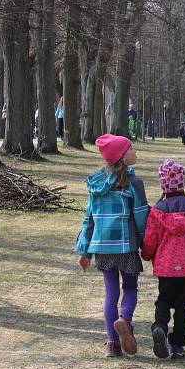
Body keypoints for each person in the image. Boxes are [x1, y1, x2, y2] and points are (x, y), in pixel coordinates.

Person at [75, 134, 149, 357]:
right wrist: (146, 243)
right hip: (126, 246)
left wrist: (84, 250)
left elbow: (89, 219)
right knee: (130, 288)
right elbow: (140, 217)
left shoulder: (96, 185)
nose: (135, 152)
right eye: (131, 149)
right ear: (123, 157)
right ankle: (124, 320)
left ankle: (111, 343)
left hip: (102, 248)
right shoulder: (134, 183)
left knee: (110, 293)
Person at [142, 160, 185, 359]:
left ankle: (160, 327)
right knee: (183, 305)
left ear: (162, 183)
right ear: (183, 182)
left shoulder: (157, 211)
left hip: (166, 267)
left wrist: (146, 254)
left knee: (163, 299)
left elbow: (150, 239)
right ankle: (178, 344)